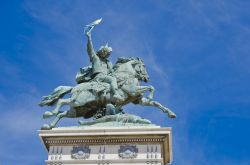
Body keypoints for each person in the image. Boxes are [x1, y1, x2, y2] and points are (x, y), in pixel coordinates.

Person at [84, 26, 123, 101]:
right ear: (101, 52)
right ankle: (116, 94)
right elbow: (90, 49)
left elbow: (112, 71)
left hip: (106, 77)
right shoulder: (95, 58)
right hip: (99, 77)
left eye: (108, 53)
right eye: (105, 52)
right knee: (113, 80)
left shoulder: (108, 62)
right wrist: (89, 38)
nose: (107, 54)